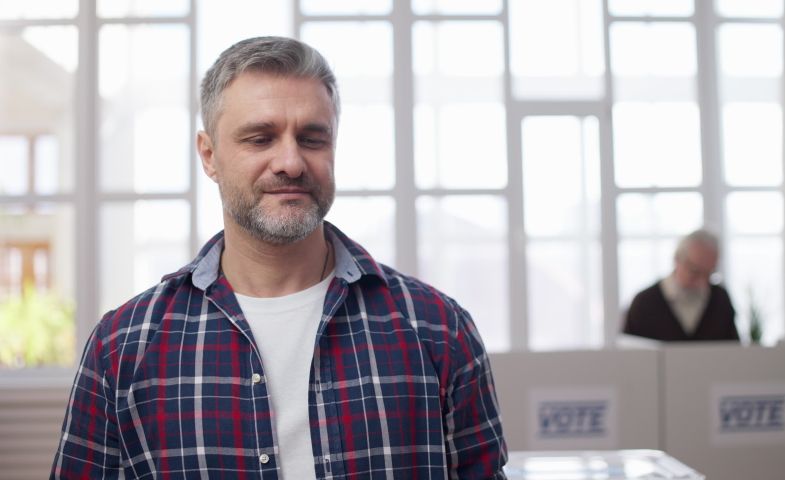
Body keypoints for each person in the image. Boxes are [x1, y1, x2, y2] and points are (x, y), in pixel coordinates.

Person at [51, 36, 506, 479]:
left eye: (312, 139)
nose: (291, 162)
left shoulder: (439, 329)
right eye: (260, 139)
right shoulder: (122, 347)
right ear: (209, 156)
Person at [623, 229, 739, 342]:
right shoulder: (644, 302)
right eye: (695, 272)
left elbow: (734, 349)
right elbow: (629, 350)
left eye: (709, 274)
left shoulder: (721, 299)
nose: (702, 283)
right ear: (677, 259)